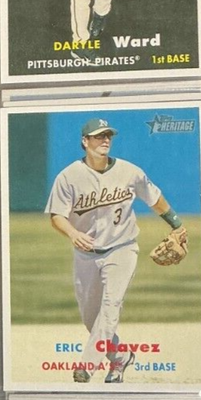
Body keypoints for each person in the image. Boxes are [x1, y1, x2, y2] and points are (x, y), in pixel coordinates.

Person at [45, 117, 187, 383]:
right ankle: (121, 357)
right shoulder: (68, 176)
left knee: (110, 306)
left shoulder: (130, 171)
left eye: (108, 135)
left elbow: (155, 199)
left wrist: (177, 225)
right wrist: (73, 233)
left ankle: (87, 366)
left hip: (122, 249)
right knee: (91, 319)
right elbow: (56, 216)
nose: (105, 140)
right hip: (86, 255)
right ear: (85, 141)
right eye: (99, 136)